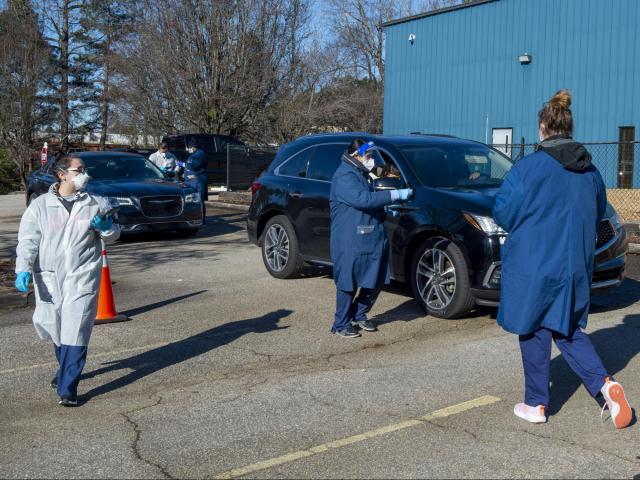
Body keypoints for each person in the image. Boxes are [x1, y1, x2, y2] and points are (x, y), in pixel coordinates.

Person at [492, 90, 632, 428]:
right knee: (565, 327)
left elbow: (502, 211)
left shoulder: (528, 168)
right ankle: (605, 384)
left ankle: (536, 403)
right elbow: (598, 210)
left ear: (542, 127)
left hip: (534, 263)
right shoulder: (591, 172)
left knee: (532, 326)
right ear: (569, 128)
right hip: (573, 264)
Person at [14, 155, 120, 406]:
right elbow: (28, 240)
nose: (85, 174)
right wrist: (23, 269)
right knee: (55, 326)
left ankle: (68, 388)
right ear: (62, 174)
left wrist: (106, 227)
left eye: (84, 169)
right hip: (49, 276)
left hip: (82, 275)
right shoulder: (40, 205)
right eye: (78, 170)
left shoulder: (96, 202)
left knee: (77, 326)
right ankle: (63, 370)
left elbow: (114, 234)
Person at [329, 139, 413, 338]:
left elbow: (387, 175)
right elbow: (362, 199)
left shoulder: (363, 172)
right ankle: (341, 323)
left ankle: (359, 314)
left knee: (375, 278)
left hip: (371, 234)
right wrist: (395, 195)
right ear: (356, 155)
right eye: (368, 155)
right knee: (349, 281)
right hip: (350, 238)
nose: (371, 159)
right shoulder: (344, 175)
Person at [184, 139, 208, 223]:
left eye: (190, 147)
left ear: (194, 147)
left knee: (199, 200)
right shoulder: (194, 154)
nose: (189, 149)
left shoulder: (200, 154)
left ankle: (201, 220)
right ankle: (192, 218)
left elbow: (194, 166)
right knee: (191, 201)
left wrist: (185, 164)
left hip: (197, 181)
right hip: (191, 181)